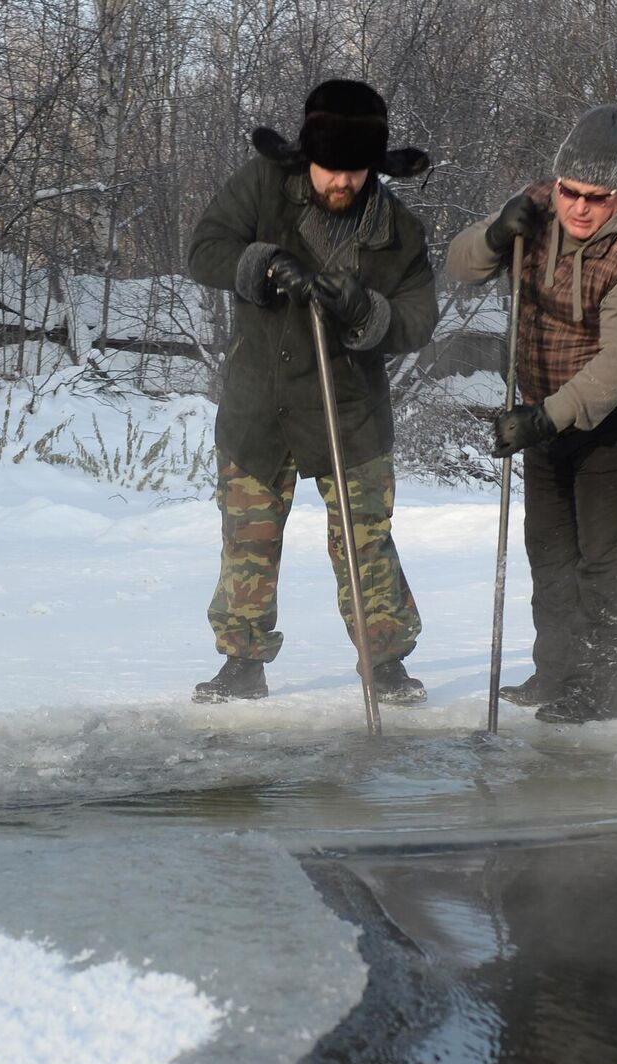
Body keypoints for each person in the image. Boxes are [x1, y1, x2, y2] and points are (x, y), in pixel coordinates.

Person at [184, 79, 437, 705]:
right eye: (330, 169)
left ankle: (386, 661)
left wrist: (364, 309)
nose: (341, 183)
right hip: (257, 403)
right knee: (248, 538)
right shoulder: (264, 187)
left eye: (355, 171)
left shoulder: (398, 230)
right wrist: (263, 265)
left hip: (350, 412)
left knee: (363, 539)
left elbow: (417, 319)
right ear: (308, 158)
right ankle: (241, 661)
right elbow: (205, 248)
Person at [445, 105, 617, 724]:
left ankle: (602, 689)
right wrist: (497, 235)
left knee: (604, 555)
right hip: (546, 404)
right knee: (549, 547)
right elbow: (461, 265)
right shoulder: (535, 210)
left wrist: (542, 419)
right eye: (569, 192)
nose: (578, 208)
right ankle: (556, 671)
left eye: (596, 197)